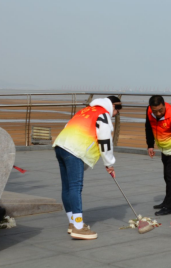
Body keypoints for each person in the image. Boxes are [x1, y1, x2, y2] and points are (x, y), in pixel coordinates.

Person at [52, 96, 122, 240]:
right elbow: (105, 140)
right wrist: (109, 163)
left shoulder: (85, 111)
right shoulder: (103, 114)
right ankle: (78, 227)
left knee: (67, 187)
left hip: (60, 146)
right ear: (113, 106)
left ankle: (72, 223)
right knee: (75, 187)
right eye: (116, 112)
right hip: (75, 150)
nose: (115, 115)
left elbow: (67, 127)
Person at [146, 95, 171, 216]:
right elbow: (148, 127)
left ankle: (170, 207)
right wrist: (150, 145)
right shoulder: (149, 111)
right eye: (155, 111)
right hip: (164, 148)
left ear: (164, 105)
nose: (158, 113)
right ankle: (167, 201)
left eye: (161, 110)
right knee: (167, 176)